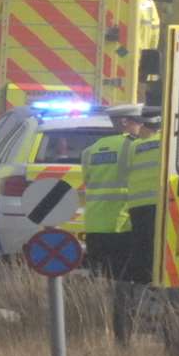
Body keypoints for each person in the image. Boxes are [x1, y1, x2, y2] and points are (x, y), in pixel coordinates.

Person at [78, 110, 134, 278]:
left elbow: (87, 180)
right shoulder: (131, 146)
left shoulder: (90, 150)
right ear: (126, 122)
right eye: (139, 122)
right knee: (120, 276)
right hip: (120, 223)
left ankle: (96, 303)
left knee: (99, 276)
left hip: (94, 224)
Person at [110, 104, 163, 283]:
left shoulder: (134, 147)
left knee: (143, 248)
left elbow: (122, 173)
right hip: (164, 204)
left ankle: (142, 284)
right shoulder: (168, 143)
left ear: (143, 124)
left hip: (137, 206)